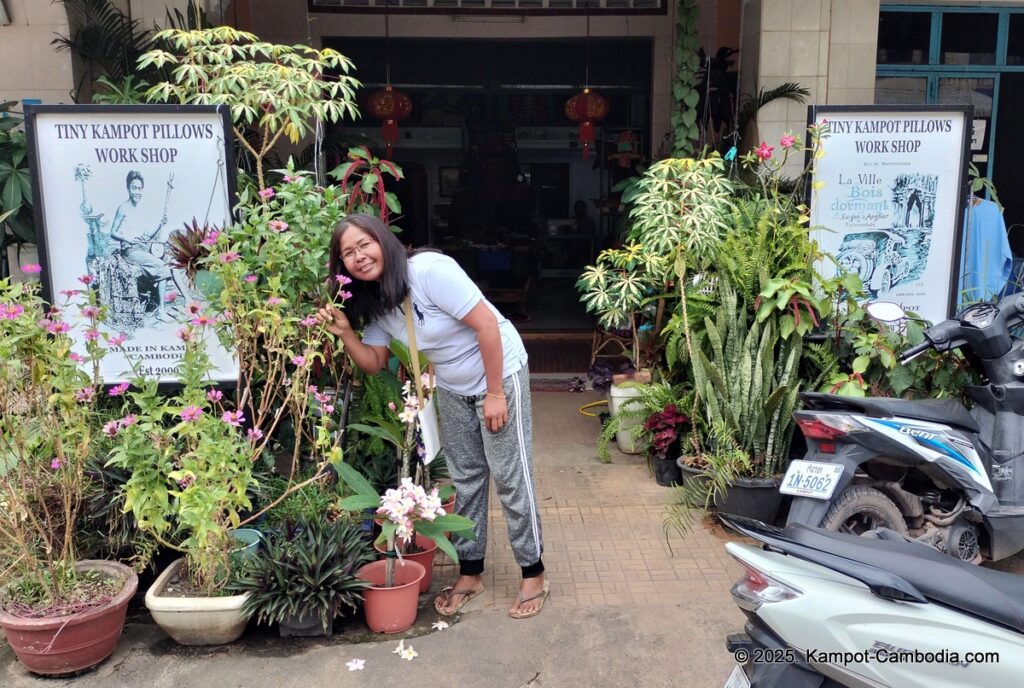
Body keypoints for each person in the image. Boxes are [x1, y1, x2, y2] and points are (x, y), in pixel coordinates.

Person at [316, 214, 548, 619]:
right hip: (454, 386)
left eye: (363, 244)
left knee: (511, 476)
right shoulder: (376, 303)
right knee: (466, 477)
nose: (359, 256)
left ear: (383, 241)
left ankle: (533, 572)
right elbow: (374, 363)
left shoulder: (429, 271)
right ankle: (471, 571)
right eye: (347, 253)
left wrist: (495, 393)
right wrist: (347, 334)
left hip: (499, 371)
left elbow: (488, 326)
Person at [109, 170, 171, 307]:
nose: (137, 192)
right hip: (130, 250)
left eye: (139, 188)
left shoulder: (142, 209)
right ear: (128, 189)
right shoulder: (123, 208)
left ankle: (157, 302)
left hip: (142, 248)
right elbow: (112, 232)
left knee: (166, 260)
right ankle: (161, 311)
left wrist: (160, 224)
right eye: (134, 188)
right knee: (161, 266)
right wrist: (128, 239)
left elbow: (147, 235)